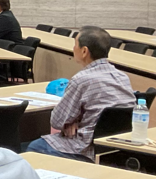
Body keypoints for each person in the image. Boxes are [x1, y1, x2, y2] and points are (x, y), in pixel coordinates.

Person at [27, 25, 134, 163]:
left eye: (75, 45)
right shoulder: (122, 77)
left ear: (84, 51)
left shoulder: (82, 80)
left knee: (35, 147)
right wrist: (74, 121)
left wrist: (70, 122)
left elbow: (57, 121)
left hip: (85, 148)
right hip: (114, 146)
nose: (73, 49)